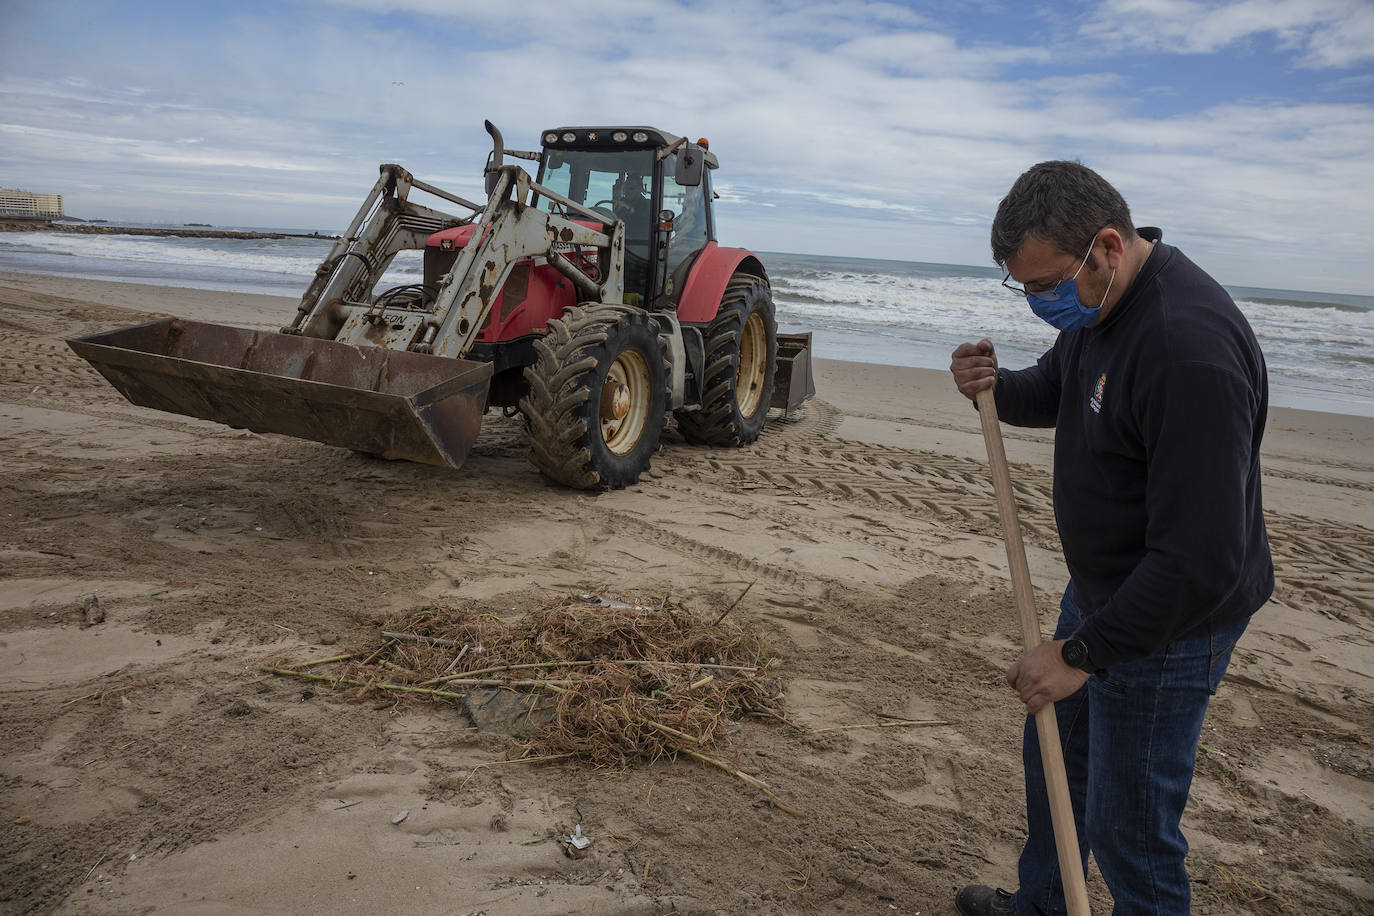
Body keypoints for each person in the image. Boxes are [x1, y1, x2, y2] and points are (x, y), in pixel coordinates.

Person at [948, 161, 1273, 916]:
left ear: (1106, 247)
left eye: (1047, 285)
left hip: (1173, 619)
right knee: (1057, 761)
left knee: (1130, 826)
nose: (1038, 303)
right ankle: (1046, 904)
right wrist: (994, 385)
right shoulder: (1102, 311)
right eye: (1022, 290)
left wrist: (1079, 656)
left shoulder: (1187, 350)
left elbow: (1202, 561)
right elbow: (1060, 389)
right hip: (1104, 593)